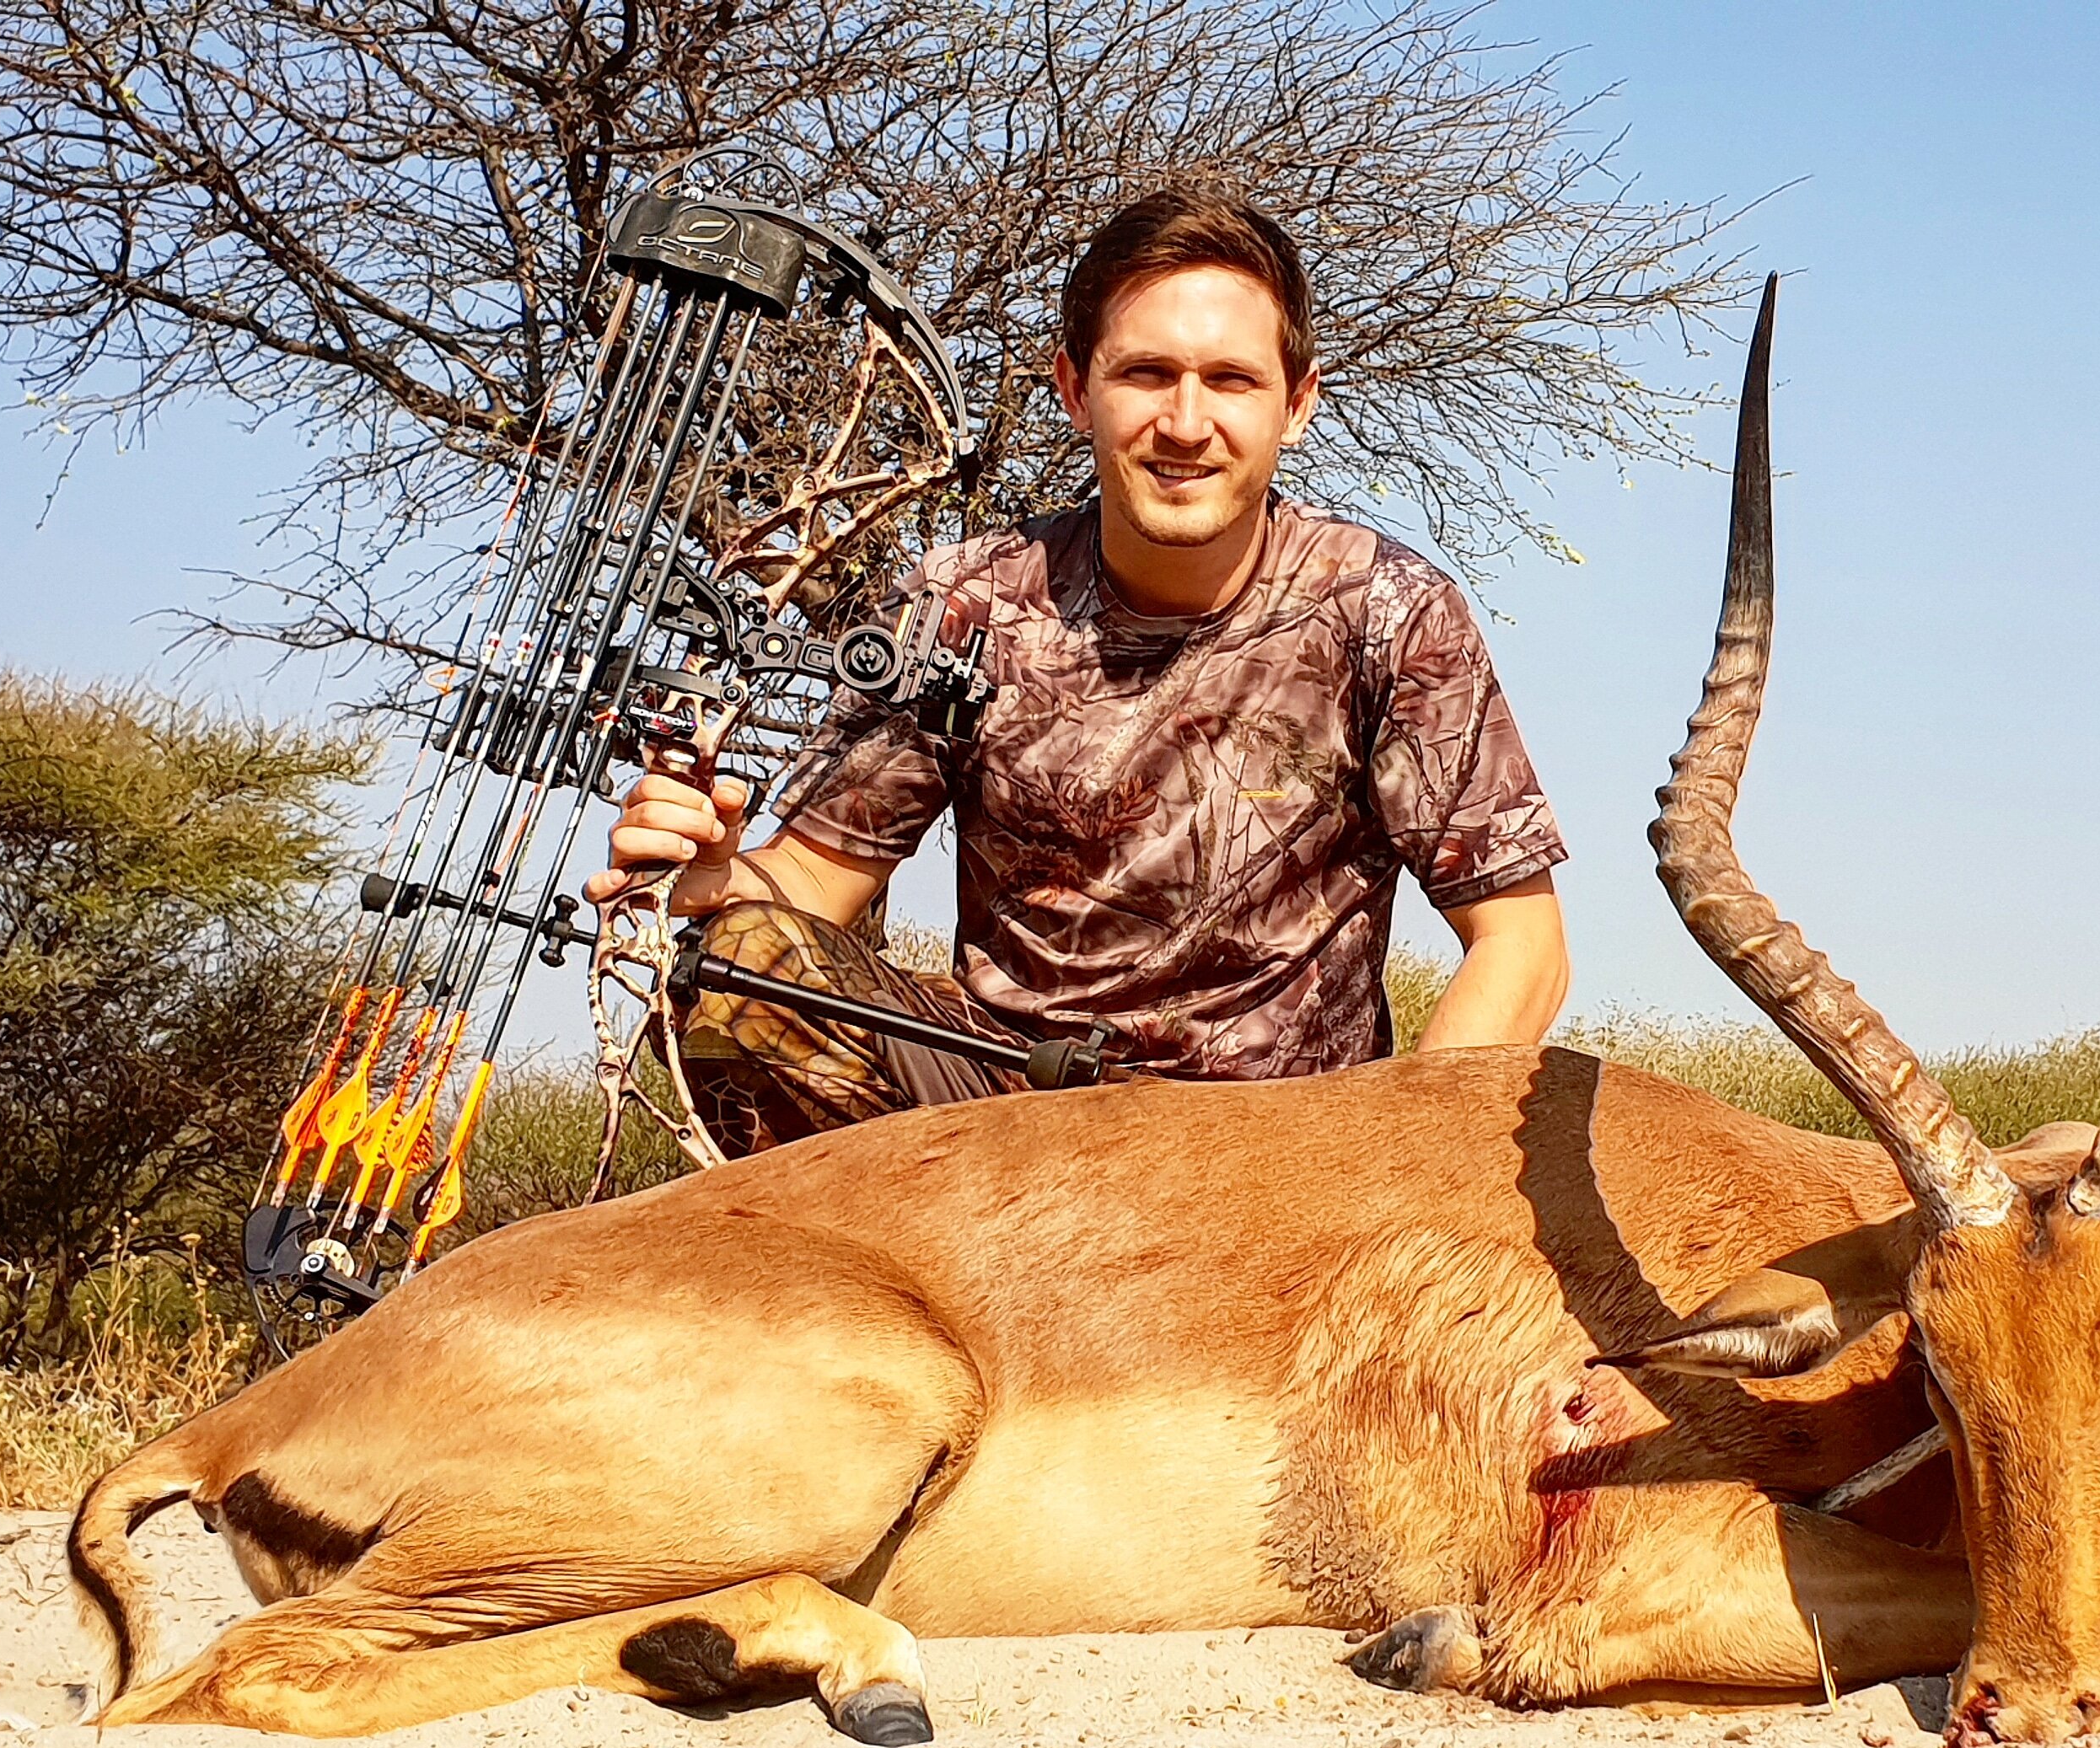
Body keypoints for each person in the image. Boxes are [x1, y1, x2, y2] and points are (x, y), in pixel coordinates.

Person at [588, 185, 1571, 1151]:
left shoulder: (1388, 609)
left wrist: (1388, 1179)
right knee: (736, 964)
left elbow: (1523, 948)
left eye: (1231, 381)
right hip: (992, 1115)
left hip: (1269, 1156)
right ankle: (872, 1299)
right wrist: (710, 877)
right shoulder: (963, 599)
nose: (1187, 424)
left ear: (1296, 405)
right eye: (1147, 374)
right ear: (1075, 389)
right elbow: (808, 885)